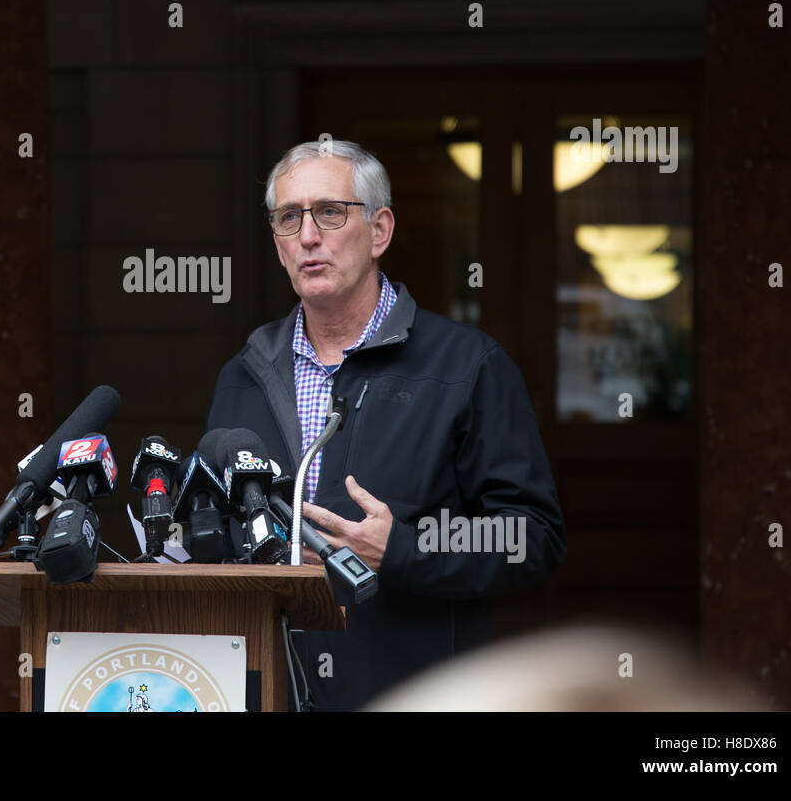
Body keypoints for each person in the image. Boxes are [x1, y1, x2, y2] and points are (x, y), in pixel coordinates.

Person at [205, 139, 565, 710]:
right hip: (264, 688)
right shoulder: (242, 375)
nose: (308, 236)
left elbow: (532, 537)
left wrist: (403, 549)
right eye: (288, 218)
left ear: (380, 231)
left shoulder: (468, 366)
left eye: (329, 211)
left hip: (409, 694)